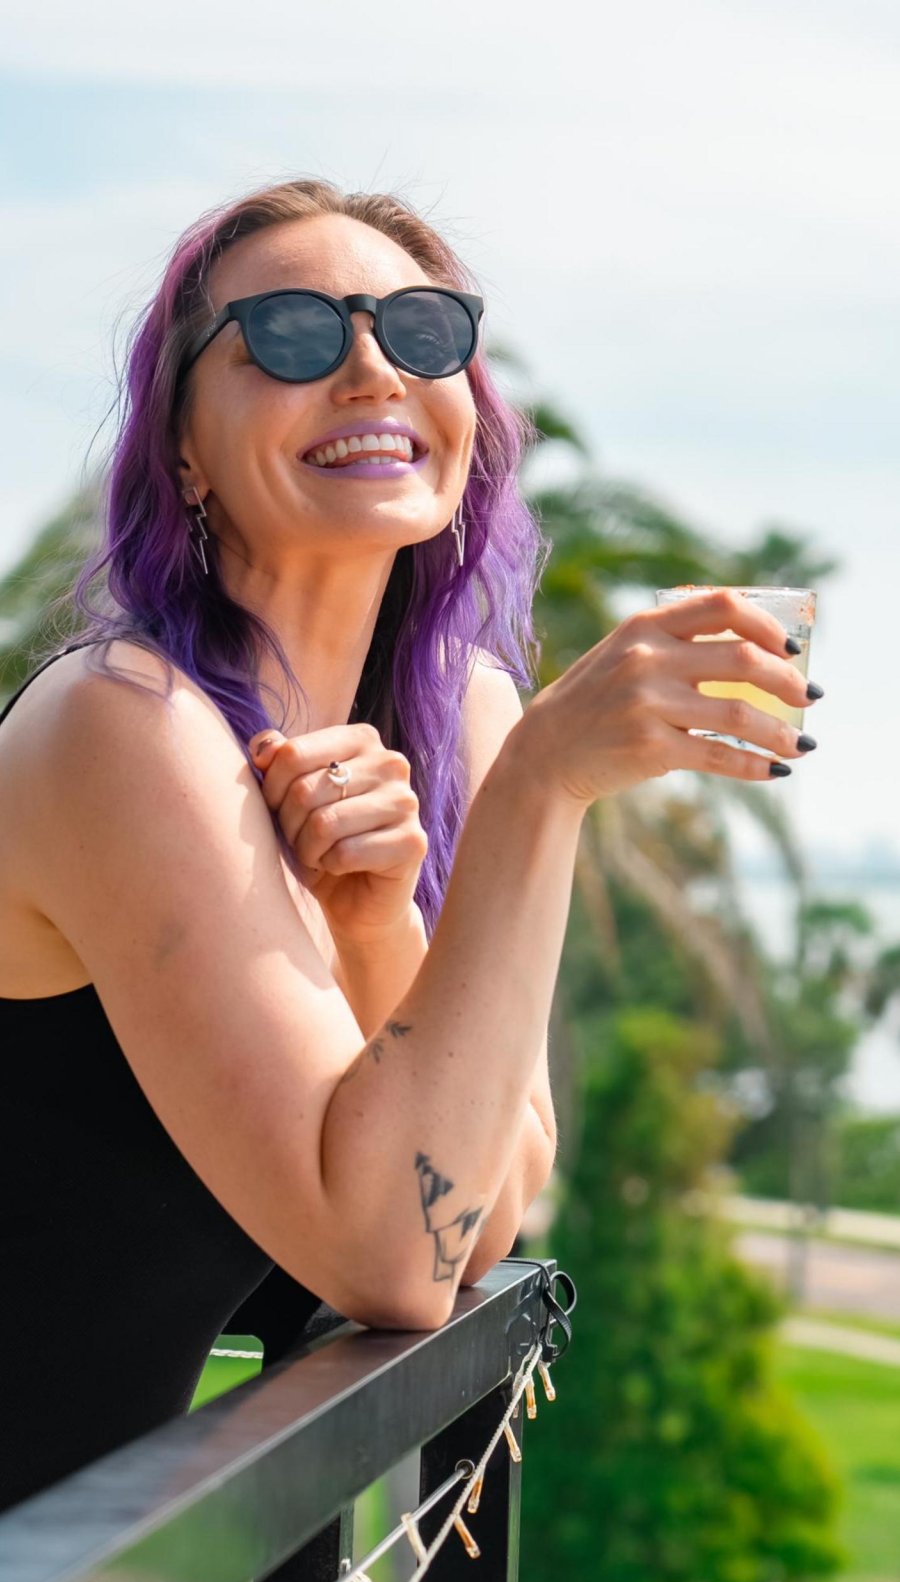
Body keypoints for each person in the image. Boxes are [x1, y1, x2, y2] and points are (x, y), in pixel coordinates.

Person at [0, 177, 820, 1512]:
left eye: (424, 329)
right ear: (184, 451)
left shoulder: (461, 712)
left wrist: (385, 921)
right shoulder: (122, 725)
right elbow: (387, 1259)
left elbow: (481, 1219)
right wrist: (545, 791)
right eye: (291, 335)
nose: (373, 366)